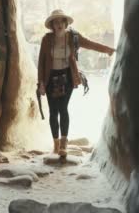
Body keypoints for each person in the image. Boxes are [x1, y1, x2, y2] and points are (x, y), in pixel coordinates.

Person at [37, 9, 115, 157]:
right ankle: (56, 144)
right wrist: (40, 83)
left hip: (67, 76)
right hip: (50, 78)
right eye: (56, 22)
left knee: (63, 108)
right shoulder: (46, 39)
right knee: (53, 112)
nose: (59, 24)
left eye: (61, 21)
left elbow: (90, 44)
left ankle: (64, 144)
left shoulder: (73, 37)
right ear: (52, 25)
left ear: (65, 23)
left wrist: (108, 50)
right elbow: (41, 63)